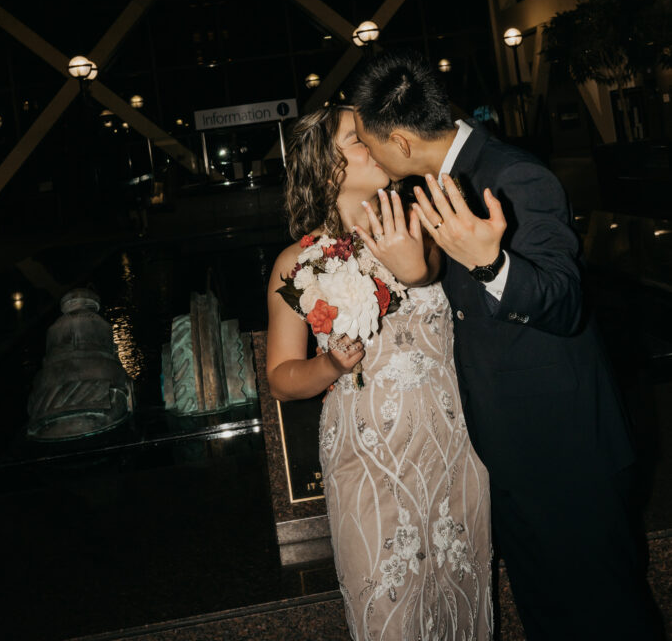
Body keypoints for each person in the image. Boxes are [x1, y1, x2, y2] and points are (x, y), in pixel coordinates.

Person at [350, 49, 662, 641]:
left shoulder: (515, 174)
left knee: (607, 619)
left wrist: (493, 264)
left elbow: (566, 302)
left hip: (568, 455)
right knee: (552, 619)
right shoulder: (439, 182)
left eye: (368, 142)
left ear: (401, 140)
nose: (367, 154)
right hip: (518, 454)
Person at [266, 105, 493, 641]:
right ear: (327, 169)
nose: (375, 140)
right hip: (367, 460)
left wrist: (419, 263)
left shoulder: (430, 225)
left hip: (454, 448)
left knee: (465, 605)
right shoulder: (297, 263)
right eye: (356, 138)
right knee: (386, 617)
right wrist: (328, 364)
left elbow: (445, 281)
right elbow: (280, 376)